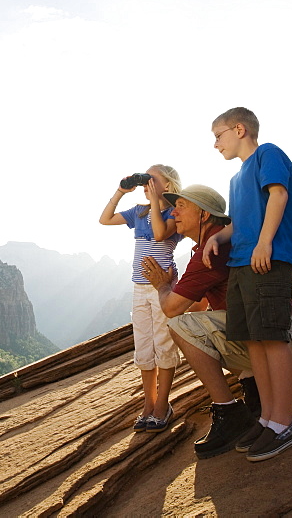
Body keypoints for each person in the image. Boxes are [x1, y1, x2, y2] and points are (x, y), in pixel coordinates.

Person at [145, 184, 292, 459]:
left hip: (279, 336)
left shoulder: (212, 250)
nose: (174, 213)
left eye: (182, 206)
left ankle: (229, 411)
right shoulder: (214, 244)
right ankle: (256, 395)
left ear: (205, 215)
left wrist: (163, 287)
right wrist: (175, 287)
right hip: (281, 330)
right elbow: (198, 306)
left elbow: (172, 310)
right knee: (199, 325)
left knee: (179, 327)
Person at [202, 107, 292, 462]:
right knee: (253, 341)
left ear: (239, 128)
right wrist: (218, 238)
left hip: (268, 259)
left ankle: (285, 421)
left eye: (218, 135)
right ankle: (267, 417)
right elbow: (240, 221)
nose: (215, 144)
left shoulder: (268, 154)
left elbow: (278, 195)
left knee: (271, 337)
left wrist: (265, 243)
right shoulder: (236, 179)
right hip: (241, 265)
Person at [100, 165, 184, 433]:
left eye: (152, 179)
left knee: (163, 344)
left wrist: (157, 202)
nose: (146, 183)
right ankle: (148, 405)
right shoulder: (139, 212)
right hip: (139, 287)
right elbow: (105, 219)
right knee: (144, 346)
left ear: (167, 186)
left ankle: (162, 404)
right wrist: (121, 192)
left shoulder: (175, 213)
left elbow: (160, 234)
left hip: (162, 288)